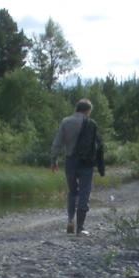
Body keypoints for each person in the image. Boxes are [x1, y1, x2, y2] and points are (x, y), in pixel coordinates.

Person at [50, 99, 104, 236]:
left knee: (73, 191)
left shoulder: (66, 122)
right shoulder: (91, 124)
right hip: (86, 163)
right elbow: (97, 145)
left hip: (70, 161)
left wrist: (54, 159)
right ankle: (80, 228)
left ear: (76, 108)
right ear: (88, 110)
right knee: (84, 192)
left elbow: (58, 142)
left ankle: (70, 221)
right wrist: (100, 164)